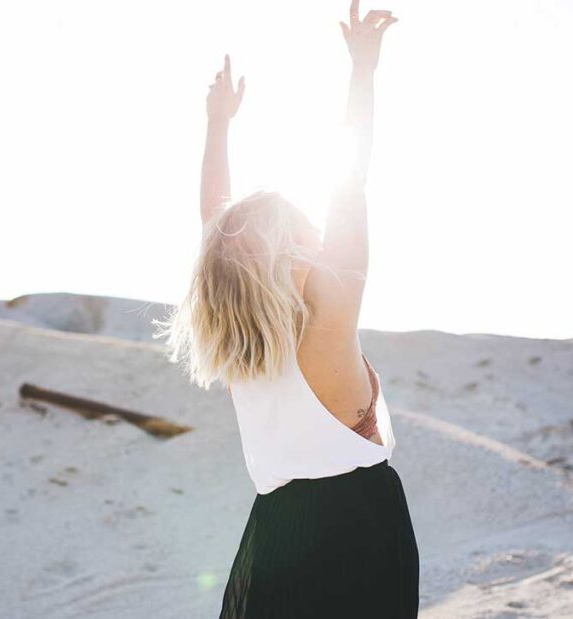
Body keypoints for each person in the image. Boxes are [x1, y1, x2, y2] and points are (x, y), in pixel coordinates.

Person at [152, 1, 418, 616]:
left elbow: (212, 225)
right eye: (306, 231)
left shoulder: (244, 350)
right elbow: (352, 183)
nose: (321, 240)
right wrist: (363, 71)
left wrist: (218, 126)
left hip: (272, 533)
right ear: (286, 252)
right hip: (358, 531)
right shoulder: (329, 314)